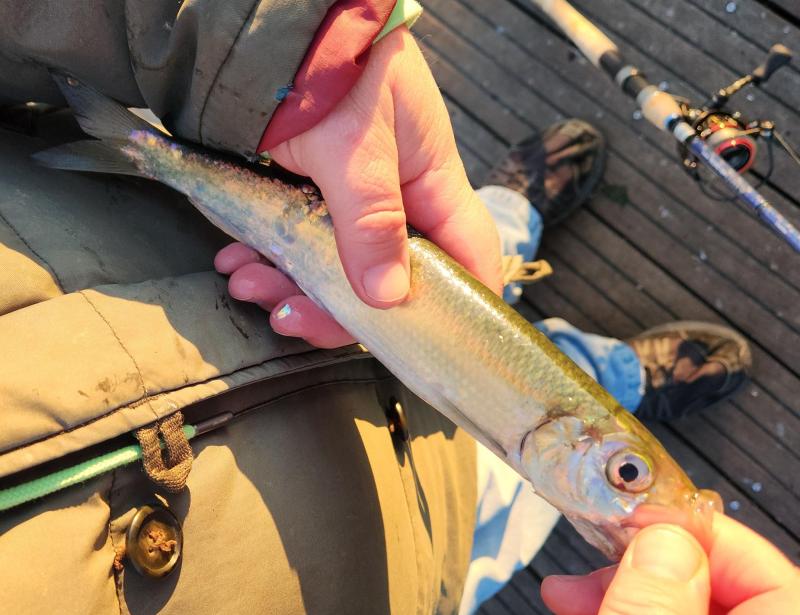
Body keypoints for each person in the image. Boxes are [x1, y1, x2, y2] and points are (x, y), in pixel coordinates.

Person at [0, 3, 786, 615]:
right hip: (421, 577)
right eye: (624, 472)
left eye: (624, 472)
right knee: (493, 507)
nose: (622, 493)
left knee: (463, 249)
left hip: (340, 330)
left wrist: (309, 59)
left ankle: (515, 213)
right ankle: (602, 351)